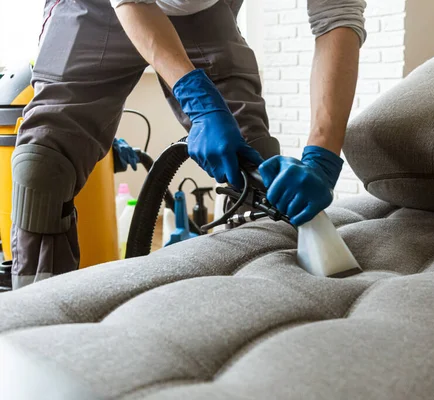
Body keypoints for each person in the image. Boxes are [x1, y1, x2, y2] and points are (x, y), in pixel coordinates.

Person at [10, 0, 366, 288]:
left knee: (255, 170)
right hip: (93, 10)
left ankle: (270, 301)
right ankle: (36, 319)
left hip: (204, 12)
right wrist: (196, 97)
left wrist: (323, 156)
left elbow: (337, 16)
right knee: (41, 169)